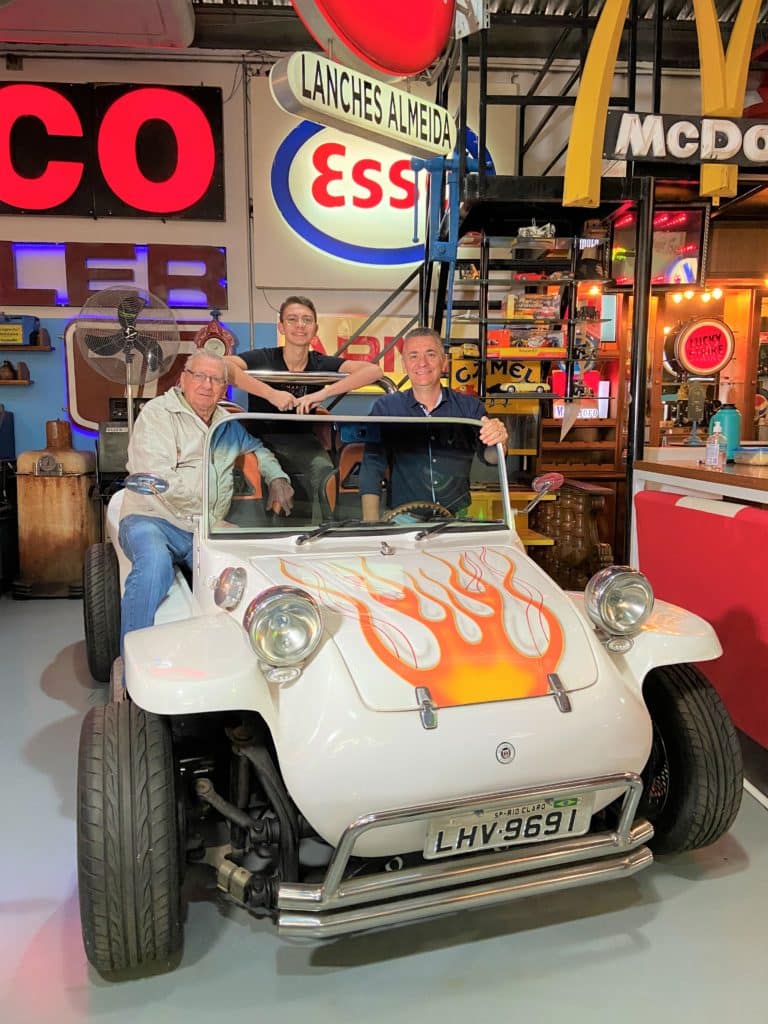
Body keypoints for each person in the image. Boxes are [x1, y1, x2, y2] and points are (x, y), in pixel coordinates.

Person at [118, 350, 293, 648]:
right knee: (154, 565)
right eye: (199, 376)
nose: (207, 385)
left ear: (224, 388)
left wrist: (277, 477)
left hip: (203, 529)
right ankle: (130, 658)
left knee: (249, 569)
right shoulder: (158, 414)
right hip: (153, 517)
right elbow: (159, 481)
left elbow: (257, 448)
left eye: (216, 379)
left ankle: (251, 653)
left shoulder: (226, 424)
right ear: (183, 379)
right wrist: (210, 519)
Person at [225, 295, 382, 516]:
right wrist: (271, 394)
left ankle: (323, 527)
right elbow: (222, 365)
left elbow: (374, 371)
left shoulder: (319, 362)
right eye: (292, 319)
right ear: (281, 327)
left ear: (315, 328)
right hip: (262, 441)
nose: (300, 325)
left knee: (325, 471)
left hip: (304, 442)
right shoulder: (265, 358)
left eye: (307, 320)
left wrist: (322, 393)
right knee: (264, 478)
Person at [359, 327, 508, 520]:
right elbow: (372, 465)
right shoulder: (386, 408)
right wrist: (371, 524)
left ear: (444, 361)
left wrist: (499, 441)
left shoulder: (470, 407)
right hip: (403, 520)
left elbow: (491, 457)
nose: (422, 363)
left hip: (457, 519)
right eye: (413, 356)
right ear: (404, 365)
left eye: (430, 354)